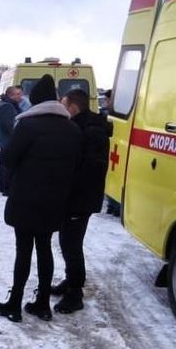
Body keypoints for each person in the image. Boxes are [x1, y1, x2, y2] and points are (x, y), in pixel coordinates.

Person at [0, 75, 82, 322]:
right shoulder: (72, 129)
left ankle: (15, 303)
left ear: (36, 101)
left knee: (23, 251)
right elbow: (76, 165)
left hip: (26, 199)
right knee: (45, 248)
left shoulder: (28, 125)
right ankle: (43, 303)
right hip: (55, 201)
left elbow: (8, 158)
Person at [53, 89, 112, 313]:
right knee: (67, 243)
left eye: (63, 104)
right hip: (76, 196)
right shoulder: (82, 125)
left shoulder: (89, 130)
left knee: (71, 245)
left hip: (81, 198)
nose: (61, 108)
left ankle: (75, 294)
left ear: (73, 107)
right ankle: (70, 281)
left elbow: (88, 169)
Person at [0, 86, 23, 193]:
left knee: (5, 163)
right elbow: (9, 126)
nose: (20, 97)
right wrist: (18, 137)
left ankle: (3, 187)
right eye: (17, 94)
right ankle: (6, 188)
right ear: (10, 95)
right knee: (8, 165)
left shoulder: (7, 104)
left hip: (4, 139)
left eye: (20, 94)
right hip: (6, 140)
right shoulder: (7, 107)